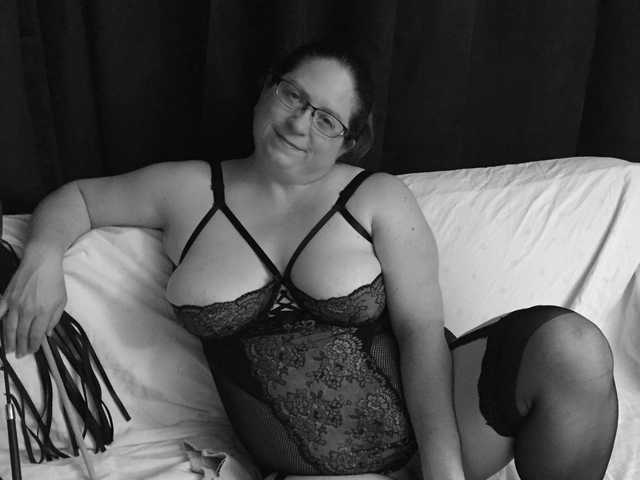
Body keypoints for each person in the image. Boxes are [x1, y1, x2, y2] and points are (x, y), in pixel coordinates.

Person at [0, 41, 618, 480]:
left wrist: (443, 472)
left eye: (326, 119)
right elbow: (79, 199)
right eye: (293, 95)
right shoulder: (185, 189)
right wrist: (43, 258)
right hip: (303, 464)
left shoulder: (376, 198)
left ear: (349, 141)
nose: (300, 124)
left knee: (572, 347)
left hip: (436, 428)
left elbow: (420, 332)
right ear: (267, 90)